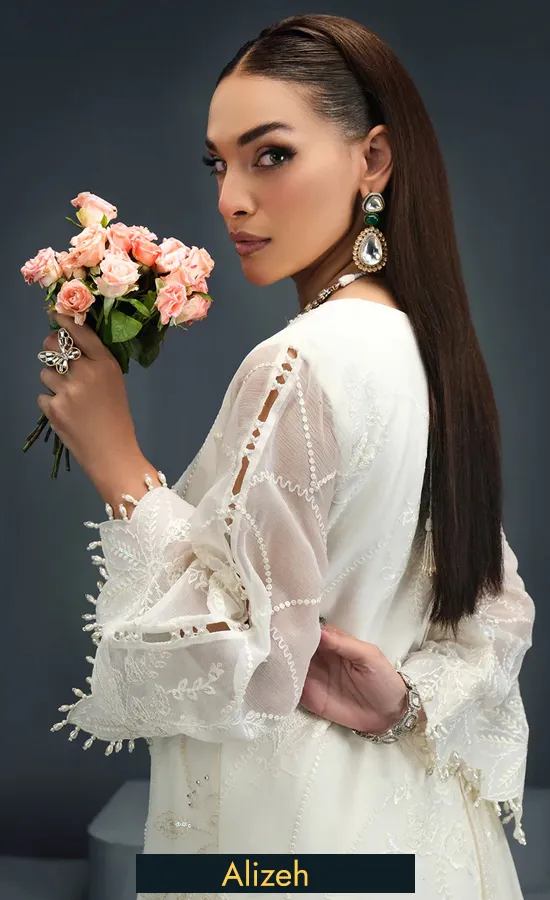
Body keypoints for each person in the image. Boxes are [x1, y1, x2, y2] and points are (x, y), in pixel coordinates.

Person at [40, 13, 535, 900]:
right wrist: (405, 702)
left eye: (270, 155)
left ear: (373, 160)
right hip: (418, 834)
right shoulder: (425, 352)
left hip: (291, 845)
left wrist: (120, 467)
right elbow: (494, 612)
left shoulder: (297, 363)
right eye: (218, 164)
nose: (231, 198)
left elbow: (251, 657)